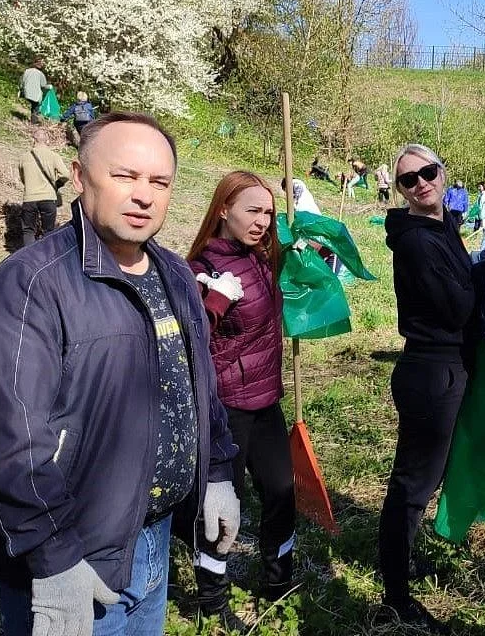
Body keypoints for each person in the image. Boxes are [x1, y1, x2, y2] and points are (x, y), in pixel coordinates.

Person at [0, 112, 241, 636]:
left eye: (159, 182)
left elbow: (199, 386)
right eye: (124, 176)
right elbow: (8, 445)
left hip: (152, 539)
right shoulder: (29, 286)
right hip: (74, 559)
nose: (143, 195)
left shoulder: (176, 274)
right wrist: (54, 558)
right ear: (78, 175)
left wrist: (217, 471)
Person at [188, 172, 297, 628]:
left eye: (268, 213)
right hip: (226, 408)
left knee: (282, 489)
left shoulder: (261, 257)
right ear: (223, 210)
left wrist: (304, 245)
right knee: (222, 507)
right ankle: (213, 600)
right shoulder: (200, 270)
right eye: (252, 210)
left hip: (266, 399)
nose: (262, 221)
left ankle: (278, 582)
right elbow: (187, 341)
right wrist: (213, 301)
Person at [379, 144, 475, 633]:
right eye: (408, 179)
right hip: (430, 370)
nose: (421, 183)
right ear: (401, 190)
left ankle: (401, 560)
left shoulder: (443, 226)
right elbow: (458, 308)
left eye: (428, 172)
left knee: (422, 479)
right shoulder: (418, 241)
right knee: (413, 484)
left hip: (442, 366)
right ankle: (396, 593)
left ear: (443, 172)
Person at [18, 128, 70, 246]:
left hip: (30, 198)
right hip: (48, 198)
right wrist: (58, 184)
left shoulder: (24, 157)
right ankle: (47, 254)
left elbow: (22, 178)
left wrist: (30, 185)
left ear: (33, 140)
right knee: (48, 231)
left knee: (28, 230)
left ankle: (30, 254)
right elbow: (66, 175)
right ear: (47, 140)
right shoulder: (53, 156)